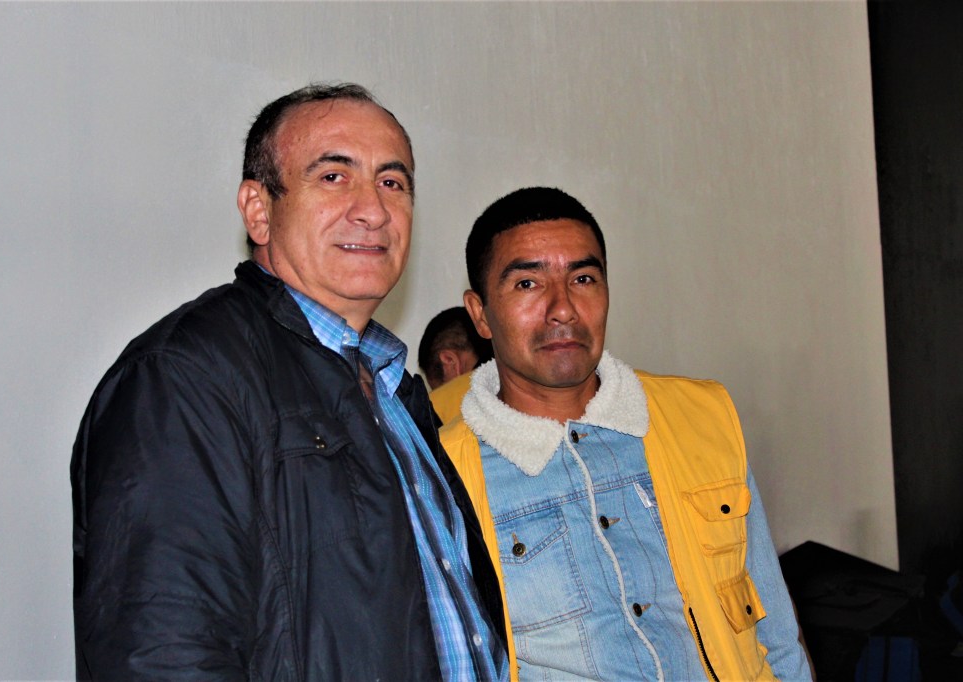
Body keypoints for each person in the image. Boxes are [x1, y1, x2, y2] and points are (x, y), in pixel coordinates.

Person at [71, 83, 507, 680]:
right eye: (333, 176)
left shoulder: (394, 389)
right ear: (259, 210)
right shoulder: (183, 378)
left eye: (392, 182)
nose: (373, 209)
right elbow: (163, 652)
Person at [440, 187, 811, 681]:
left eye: (583, 279)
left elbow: (776, 633)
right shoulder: (444, 474)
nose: (563, 308)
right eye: (528, 283)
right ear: (480, 314)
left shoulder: (701, 417)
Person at [419, 306, 494, 424]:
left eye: (441, 388)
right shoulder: (516, 378)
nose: (445, 393)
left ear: (449, 360)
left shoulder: (440, 405)